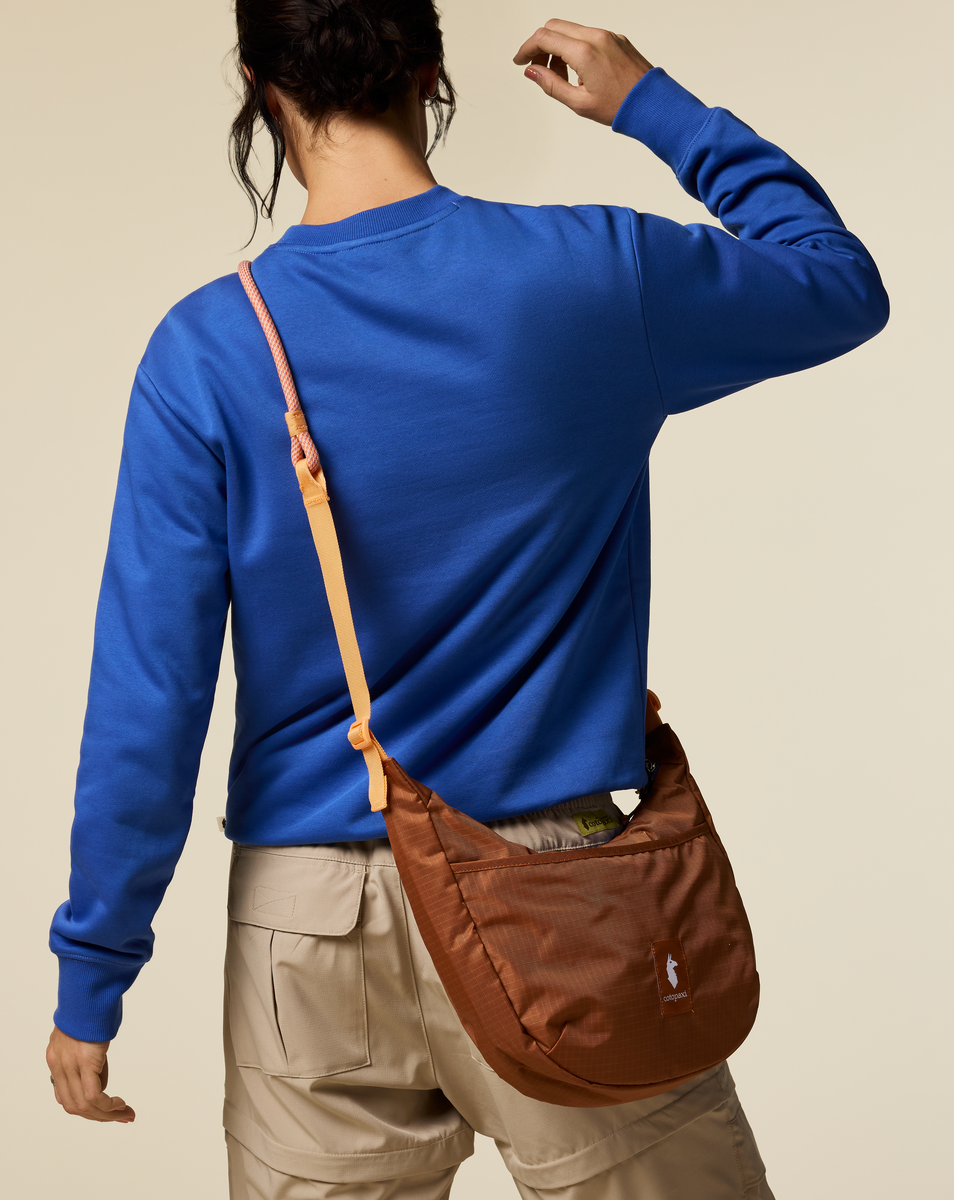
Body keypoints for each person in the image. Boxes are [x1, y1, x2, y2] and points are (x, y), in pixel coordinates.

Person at [45, 4, 888, 1197]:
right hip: (560, 889)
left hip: (308, 923)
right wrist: (652, 105)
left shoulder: (207, 349)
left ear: (260, 83)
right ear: (430, 70)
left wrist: (94, 972)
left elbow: (150, 697)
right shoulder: (592, 273)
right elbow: (838, 283)